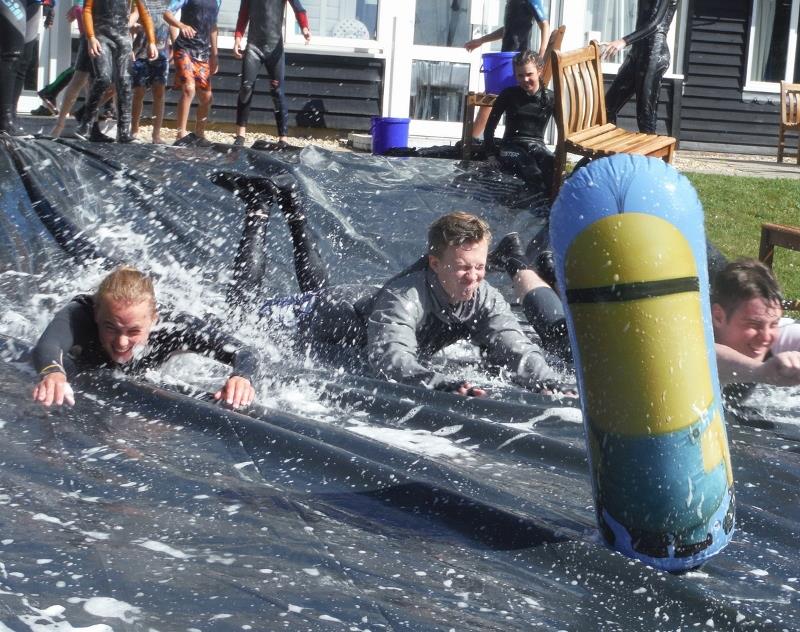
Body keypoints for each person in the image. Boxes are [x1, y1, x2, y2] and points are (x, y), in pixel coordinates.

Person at [213, 173, 560, 395]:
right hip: (323, 314)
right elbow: (391, 360)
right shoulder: (405, 297)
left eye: (481, 267)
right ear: (435, 264)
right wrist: (441, 383)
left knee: (314, 288)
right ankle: (258, 208)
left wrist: (544, 379)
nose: (473, 277)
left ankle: (292, 203)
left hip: (356, 305)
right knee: (239, 317)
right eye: (462, 268)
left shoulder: (483, 296)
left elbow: (514, 345)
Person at [32, 266, 257, 408]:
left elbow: (245, 352)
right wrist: (52, 373)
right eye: (111, 327)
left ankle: (257, 213)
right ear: (96, 313)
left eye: (134, 332)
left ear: (153, 320)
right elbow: (48, 345)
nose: (121, 343)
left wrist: (242, 377)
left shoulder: (172, 327)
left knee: (237, 317)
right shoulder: (80, 314)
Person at [464, 0, 550, 145]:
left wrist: (541, 54)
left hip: (517, 60)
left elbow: (545, 25)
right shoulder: (511, 3)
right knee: (489, 96)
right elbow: (507, 30)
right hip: (507, 58)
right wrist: (481, 40)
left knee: (490, 97)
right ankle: (471, 140)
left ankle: (471, 140)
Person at [711, 259, 800, 394]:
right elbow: (708, 355)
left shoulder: (781, 336)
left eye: (773, 324)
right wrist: (761, 371)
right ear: (718, 316)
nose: (766, 337)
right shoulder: (693, 339)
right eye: (754, 324)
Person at [231, 0, 310, 147]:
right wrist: (237, 39)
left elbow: (299, 9)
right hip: (254, 47)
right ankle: (240, 136)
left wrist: (304, 28)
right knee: (246, 87)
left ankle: (283, 138)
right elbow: (243, 15)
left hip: (274, 49)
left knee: (277, 92)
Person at [76, 0, 158, 143]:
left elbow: (145, 13)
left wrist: (151, 42)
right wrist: (91, 37)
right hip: (101, 36)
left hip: (122, 37)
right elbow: (87, 9)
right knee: (103, 78)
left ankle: (124, 132)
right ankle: (86, 124)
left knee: (125, 82)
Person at [601, 0, 678, 134]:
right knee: (608, 107)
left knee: (645, 114)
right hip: (638, 52)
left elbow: (655, 23)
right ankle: (606, 152)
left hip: (654, 52)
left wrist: (623, 41)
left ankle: (649, 155)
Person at [484, 49, 554, 192]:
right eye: (520, 75)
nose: (525, 79)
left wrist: (559, 154)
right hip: (510, 147)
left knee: (551, 164)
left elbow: (563, 130)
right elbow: (490, 127)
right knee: (530, 168)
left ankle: (548, 206)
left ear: (539, 71)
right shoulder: (508, 94)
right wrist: (491, 155)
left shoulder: (551, 98)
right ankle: (534, 207)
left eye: (529, 74)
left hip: (537, 145)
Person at [164, 0, 221, 146]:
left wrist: (215, 54)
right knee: (189, 89)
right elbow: (166, 13)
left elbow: (213, 26)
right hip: (184, 48)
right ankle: (180, 134)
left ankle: (199, 134)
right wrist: (181, 25)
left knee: (207, 97)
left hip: (202, 52)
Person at [130, 1, 172, 143]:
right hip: (141, 53)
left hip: (161, 53)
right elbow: (131, 21)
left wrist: (175, 48)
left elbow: (172, 25)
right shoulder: (142, 3)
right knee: (139, 92)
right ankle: (134, 130)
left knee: (159, 93)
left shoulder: (168, 5)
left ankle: (156, 134)